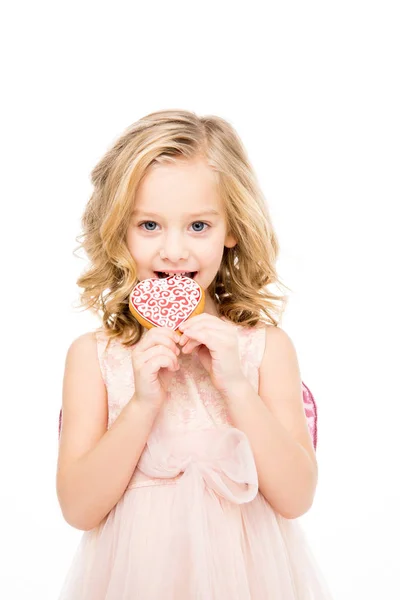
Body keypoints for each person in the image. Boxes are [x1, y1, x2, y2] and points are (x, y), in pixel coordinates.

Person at [56, 109, 333, 598]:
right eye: (149, 226)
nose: (175, 250)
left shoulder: (265, 350)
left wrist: (238, 387)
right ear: (119, 230)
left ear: (232, 230)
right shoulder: (94, 358)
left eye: (199, 226)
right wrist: (142, 403)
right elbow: (79, 509)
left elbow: (296, 497)